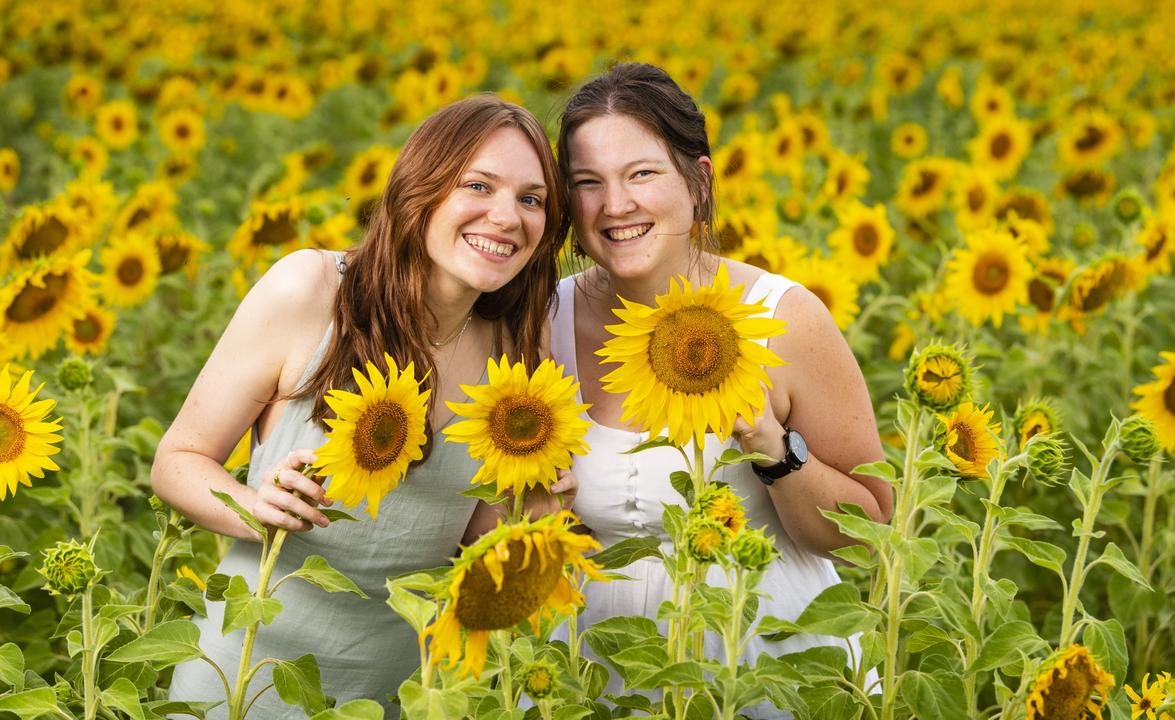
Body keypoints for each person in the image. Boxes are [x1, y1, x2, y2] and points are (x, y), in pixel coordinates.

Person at [153, 95, 571, 717]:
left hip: (396, 695)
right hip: (243, 682)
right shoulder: (312, 291)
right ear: (421, 188)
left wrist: (533, 515)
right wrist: (255, 508)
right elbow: (177, 461)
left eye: (531, 199)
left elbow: (466, 542)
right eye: (479, 185)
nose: (507, 216)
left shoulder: (519, 346)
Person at [551, 63, 893, 717]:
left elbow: (871, 528)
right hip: (599, 679)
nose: (614, 205)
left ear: (697, 179)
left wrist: (772, 447)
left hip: (769, 671)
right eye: (587, 183)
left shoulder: (783, 319)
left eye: (641, 173)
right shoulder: (546, 321)